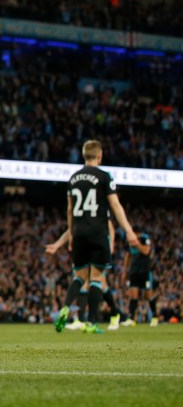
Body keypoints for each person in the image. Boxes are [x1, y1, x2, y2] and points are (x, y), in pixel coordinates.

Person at [54, 140, 139, 335]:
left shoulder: (73, 178)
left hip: (79, 232)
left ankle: (65, 307)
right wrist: (128, 230)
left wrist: (71, 234)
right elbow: (115, 206)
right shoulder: (104, 176)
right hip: (98, 232)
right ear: (99, 156)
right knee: (97, 278)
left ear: (84, 155)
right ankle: (91, 322)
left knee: (79, 276)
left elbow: (69, 210)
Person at [45, 220, 124, 330]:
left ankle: (73, 312)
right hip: (93, 243)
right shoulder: (96, 206)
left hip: (88, 243)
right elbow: (108, 224)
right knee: (95, 281)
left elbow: (73, 226)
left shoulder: (83, 204)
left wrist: (57, 244)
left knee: (85, 279)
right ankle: (91, 319)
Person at [121, 231, 158, 327]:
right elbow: (127, 255)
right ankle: (131, 319)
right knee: (133, 295)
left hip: (145, 271)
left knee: (148, 295)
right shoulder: (129, 241)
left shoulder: (145, 238)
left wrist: (137, 243)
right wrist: (125, 271)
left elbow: (146, 251)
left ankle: (155, 317)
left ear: (137, 234)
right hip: (134, 271)